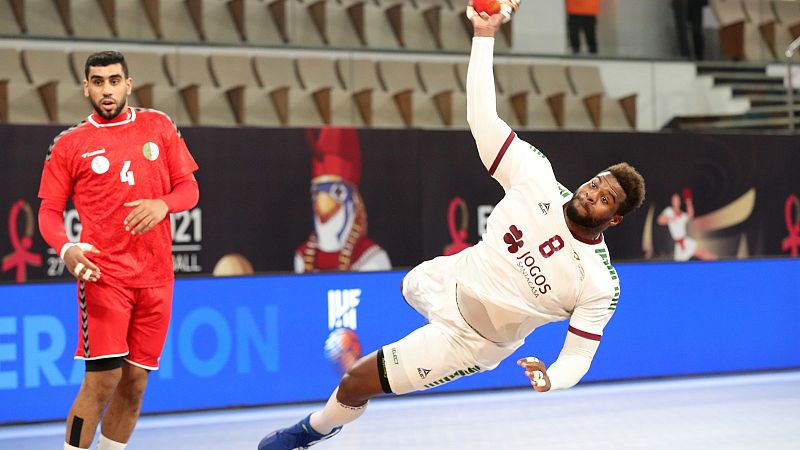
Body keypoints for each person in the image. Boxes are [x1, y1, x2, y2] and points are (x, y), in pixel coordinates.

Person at [259, 8, 645, 450]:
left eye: (605, 199)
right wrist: (484, 35)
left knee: (355, 381)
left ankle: (313, 429)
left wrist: (552, 377)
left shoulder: (598, 281)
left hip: (470, 341)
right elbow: (483, 119)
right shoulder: (536, 176)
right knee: (408, 285)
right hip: (450, 277)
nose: (592, 192)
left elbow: (579, 355)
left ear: (613, 219)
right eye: (596, 182)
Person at [37, 51, 200, 450]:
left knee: (136, 382)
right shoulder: (70, 143)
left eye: (113, 81)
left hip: (157, 277)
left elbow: (189, 190)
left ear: (128, 84)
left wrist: (163, 203)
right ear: (86, 87)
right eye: (98, 81)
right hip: (104, 276)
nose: (106, 90)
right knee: (103, 379)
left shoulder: (159, 126)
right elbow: (48, 212)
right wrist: (66, 247)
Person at [657, 190, 716, 261]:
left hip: (685, 241)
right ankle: (716, 260)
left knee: (702, 254)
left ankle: (718, 261)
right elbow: (659, 220)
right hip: (678, 245)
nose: (676, 201)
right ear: (672, 201)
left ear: (679, 201)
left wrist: (688, 202)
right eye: (674, 199)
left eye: (677, 199)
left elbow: (690, 215)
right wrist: (670, 218)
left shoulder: (682, 214)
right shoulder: (669, 211)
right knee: (680, 264)